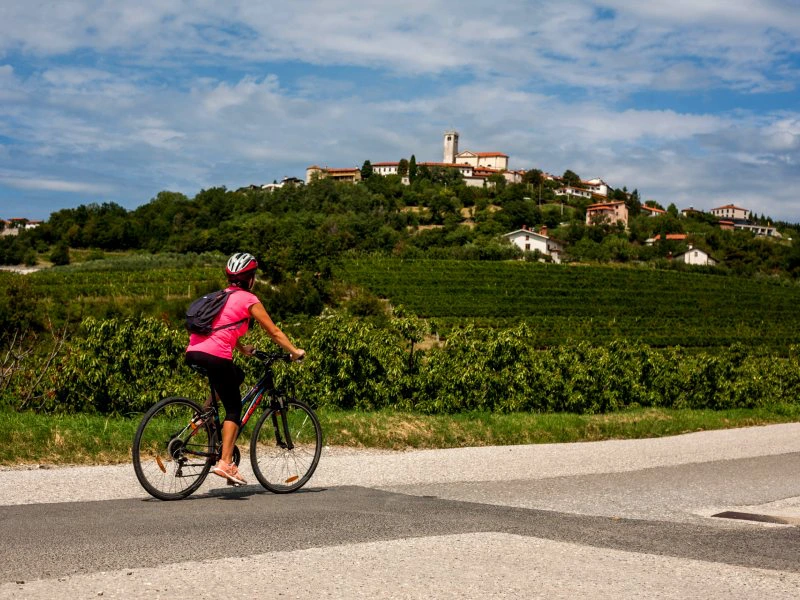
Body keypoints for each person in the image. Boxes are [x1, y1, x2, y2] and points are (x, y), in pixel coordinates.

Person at [185, 252, 305, 486]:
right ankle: (225, 462)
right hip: (216, 356)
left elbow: (219, 327)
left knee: (236, 375)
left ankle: (203, 415)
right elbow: (274, 332)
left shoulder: (221, 297)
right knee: (233, 409)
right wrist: (294, 351)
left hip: (193, 351)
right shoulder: (249, 299)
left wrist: (241, 348)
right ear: (250, 278)